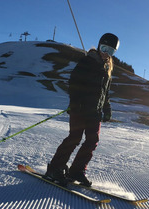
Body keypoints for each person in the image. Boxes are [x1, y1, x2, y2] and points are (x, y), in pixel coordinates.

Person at [44, 33, 120, 187]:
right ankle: (54, 168)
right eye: (104, 48)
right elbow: (73, 83)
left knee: (92, 141)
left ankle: (76, 171)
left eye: (110, 51)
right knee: (75, 138)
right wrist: (75, 102)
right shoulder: (87, 61)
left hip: (95, 112)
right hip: (80, 108)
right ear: (99, 46)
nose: (106, 53)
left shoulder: (107, 69)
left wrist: (107, 108)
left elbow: (105, 92)